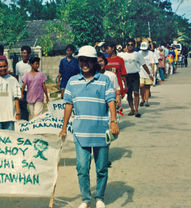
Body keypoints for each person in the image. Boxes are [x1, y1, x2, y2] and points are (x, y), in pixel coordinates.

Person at [59, 45, 119, 208]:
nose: (84, 64)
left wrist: (113, 121)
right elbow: (68, 105)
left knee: (101, 168)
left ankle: (99, 197)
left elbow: (111, 101)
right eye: (82, 60)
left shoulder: (104, 80)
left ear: (94, 62)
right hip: (80, 132)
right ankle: (86, 199)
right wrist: (64, 127)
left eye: (88, 61)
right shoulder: (72, 81)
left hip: (101, 131)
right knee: (82, 168)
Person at [121, 38, 153, 117]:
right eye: (128, 45)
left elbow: (144, 65)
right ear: (126, 46)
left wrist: (150, 74)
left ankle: (136, 110)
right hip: (126, 76)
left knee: (136, 92)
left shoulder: (137, 54)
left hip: (135, 75)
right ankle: (131, 109)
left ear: (134, 45)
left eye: (132, 45)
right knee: (129, 93)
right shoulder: (122, 55)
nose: (130, 46)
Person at [15, 46, 32, 120]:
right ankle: (24, 124)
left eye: (25, 53)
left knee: (32, 108)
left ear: (29, 54)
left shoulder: (32, 64)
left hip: (31, 89)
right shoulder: (18, 65)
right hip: (22, 90)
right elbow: (16, 77)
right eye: (22, 53)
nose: (23, 55)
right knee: (23, 108)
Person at [139, 42, 155, 107]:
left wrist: (153, 72)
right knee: (141, 86)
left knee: (147, 87)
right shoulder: (139, 53)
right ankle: (142, 99)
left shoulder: (151, 53)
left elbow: (152, 63)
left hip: (148, 72)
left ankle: (146, 101)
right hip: (140, 72)